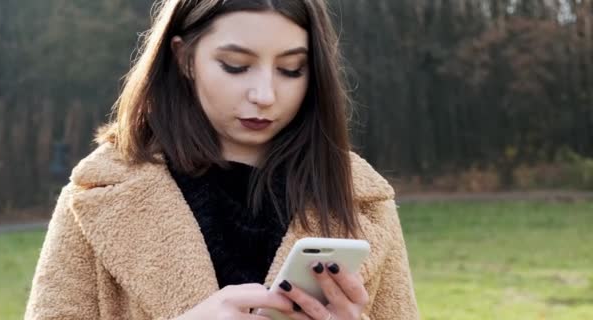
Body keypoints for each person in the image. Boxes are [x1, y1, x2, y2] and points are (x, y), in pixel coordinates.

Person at [25, 0, 419, 319]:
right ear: (183, 58)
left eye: (290, 69)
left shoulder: (360, 198)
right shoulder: (100, 192)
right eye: (236, 66)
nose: (264, 94)